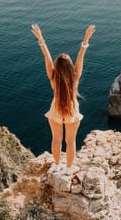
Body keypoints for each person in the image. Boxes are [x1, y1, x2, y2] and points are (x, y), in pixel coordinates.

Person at [31, 23, 95, 168]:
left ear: (57, 66)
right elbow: (81, 57)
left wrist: (41, 38)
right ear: (70, 66)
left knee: (56, 139)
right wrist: (85, 40)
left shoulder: (53, 76)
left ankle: (58, 165)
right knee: (71, 141)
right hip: (72, 110)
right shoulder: (75, 77)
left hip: (56, 109)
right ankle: (69, 168)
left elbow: (46, 57)